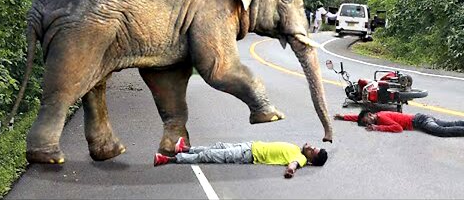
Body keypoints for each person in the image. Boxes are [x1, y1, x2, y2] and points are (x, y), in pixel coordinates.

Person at [154, 138, 328, 179]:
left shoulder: (300, 158)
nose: (311, 147)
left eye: (313, 150)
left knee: (209, 156)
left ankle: (168, 159)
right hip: (249, 146)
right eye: (314, 146)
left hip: (248, 155)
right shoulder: (297, 149)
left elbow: (294, 164)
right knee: (217, 147)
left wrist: (290, 169)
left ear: (311, 159)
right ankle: (184, 148)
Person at [334, 110, 464, 137]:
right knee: (449, 123)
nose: (366, 123)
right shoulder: (376, 114)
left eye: (365, 121)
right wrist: (343, 117)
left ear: (370, 115)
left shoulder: (381, 117)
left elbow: (398, 128)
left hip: (419, 121)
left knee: (441, 131)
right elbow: (358, 116)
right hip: (421, 117)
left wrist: (377, 128)